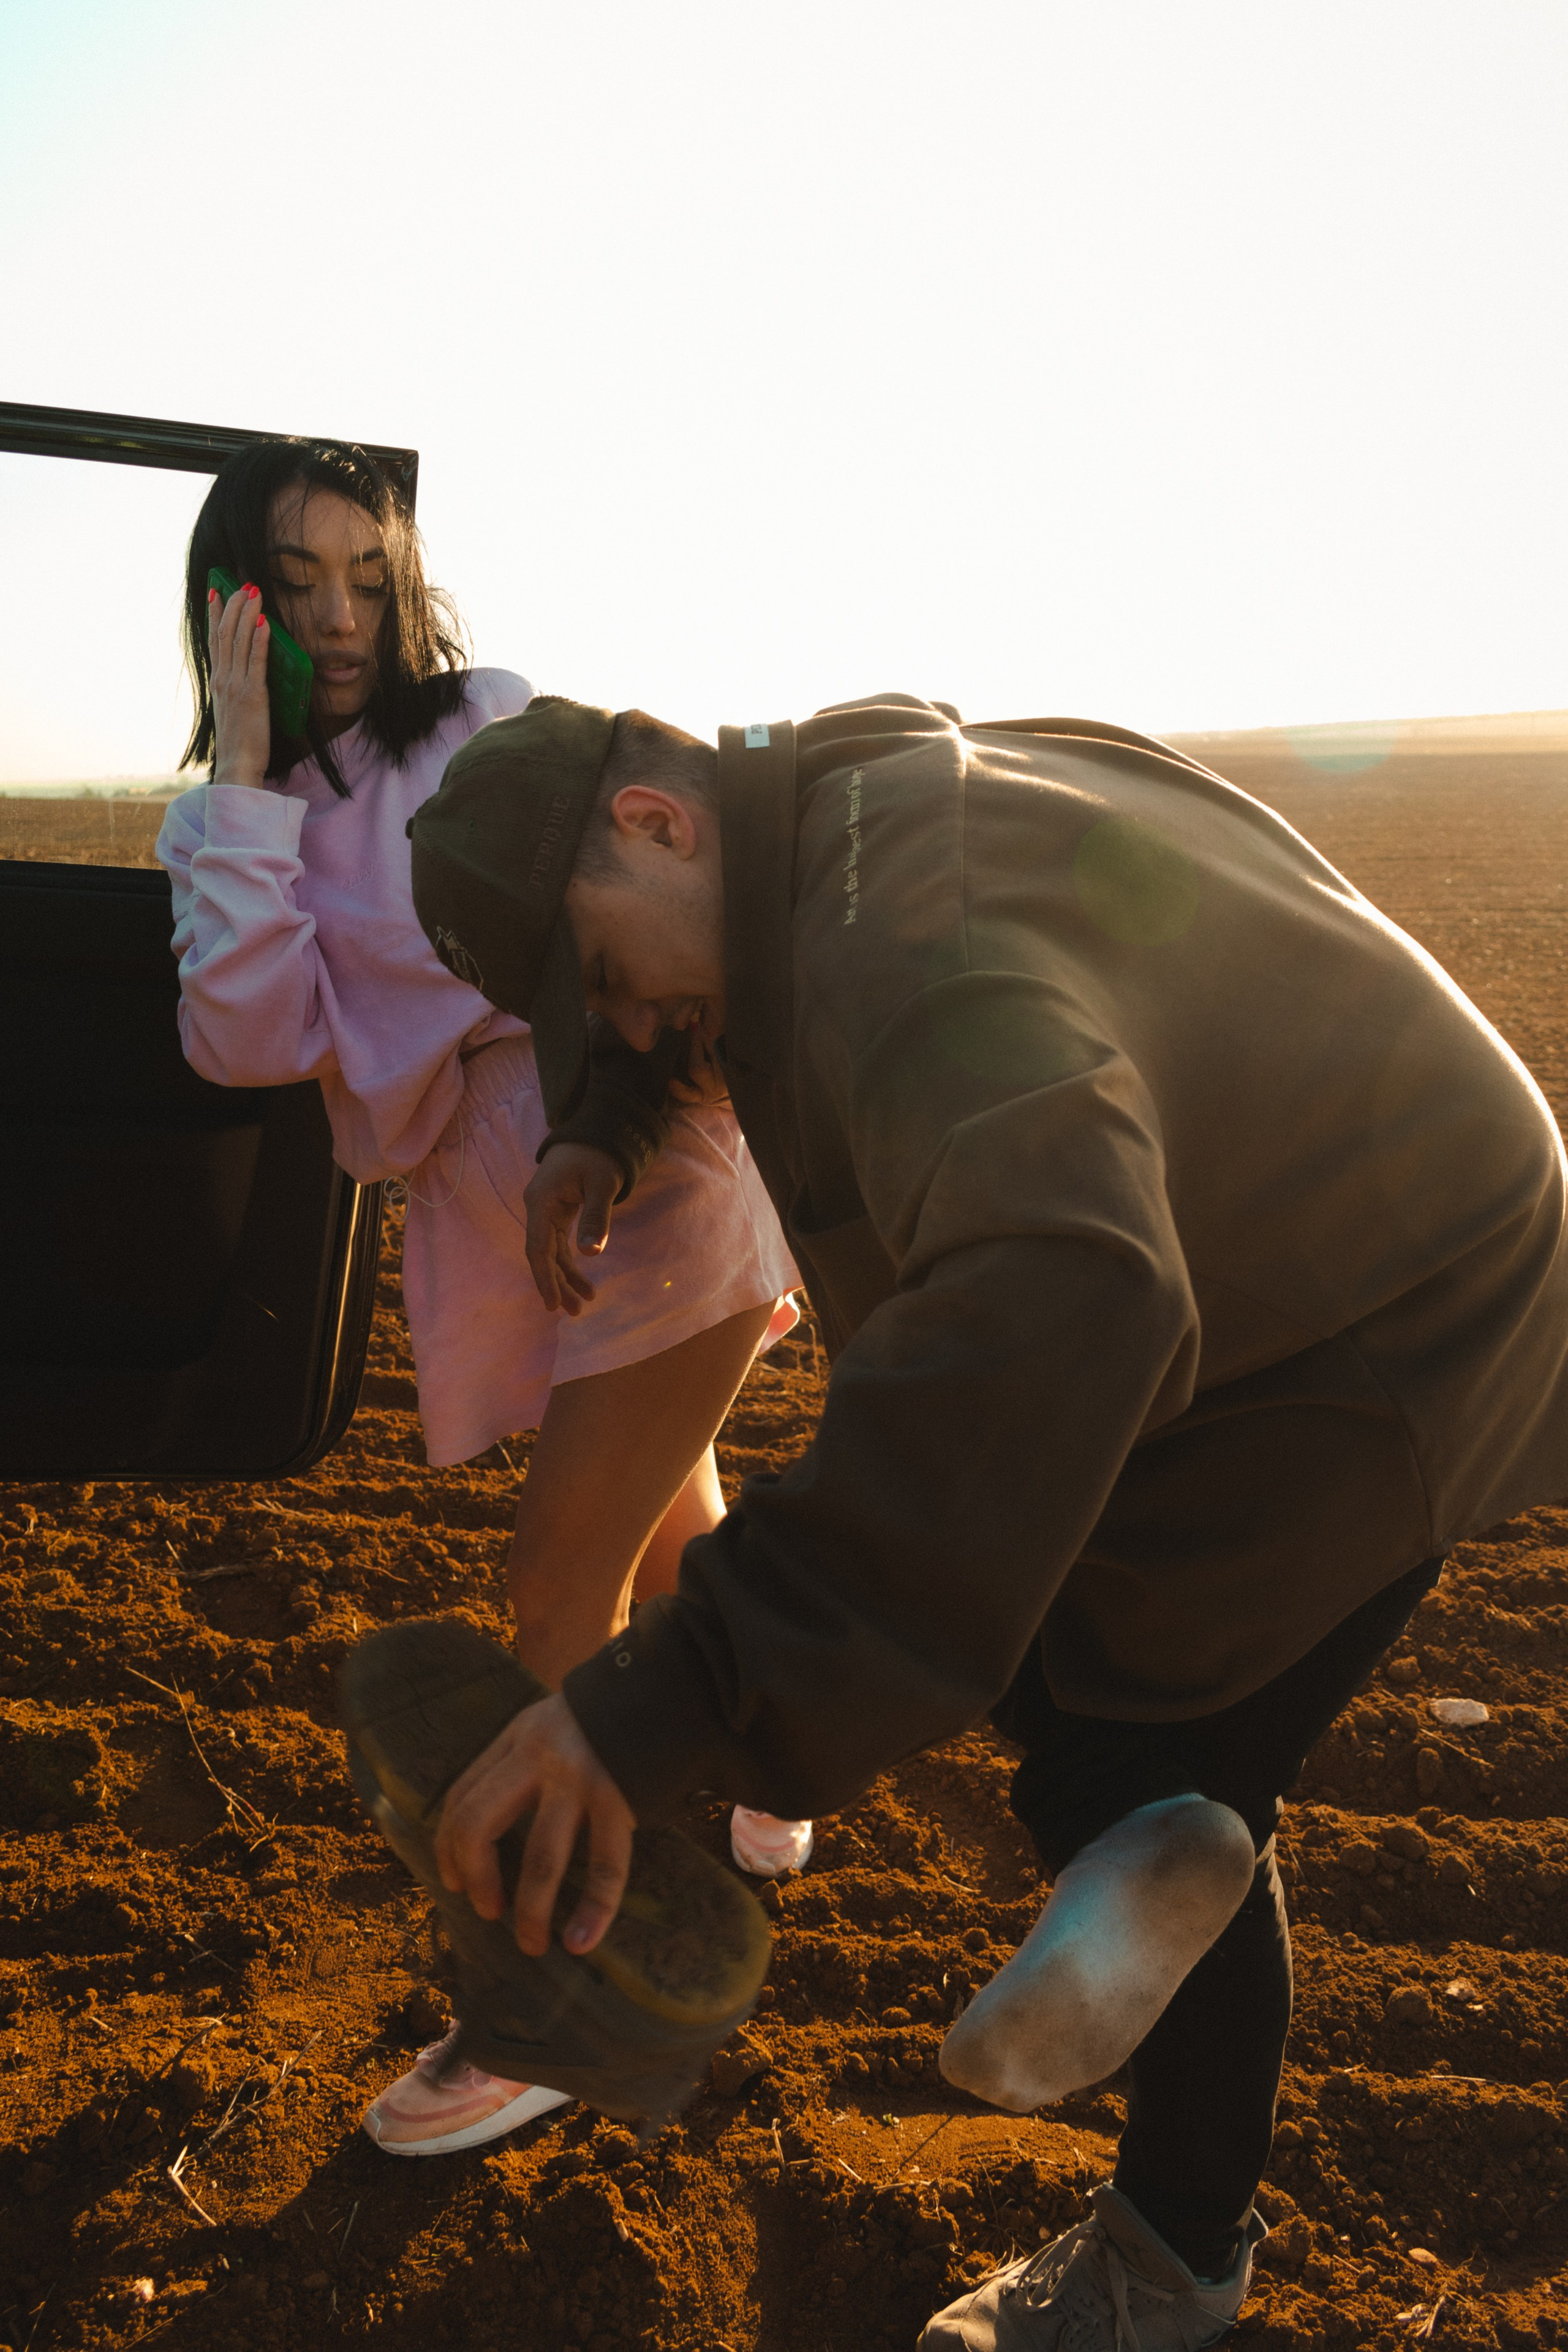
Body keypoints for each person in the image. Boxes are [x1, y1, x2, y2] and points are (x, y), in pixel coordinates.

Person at [404, 690, 1568, 2345]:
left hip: (1390, 1315)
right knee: (1080, 1673)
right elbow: (731, 1014)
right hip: (1309, 1228)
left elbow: (1054, 1306)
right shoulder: (830, 801)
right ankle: (1154, 1830)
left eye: (600, 981)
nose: (634, 1026)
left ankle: (1164, 2257)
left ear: (654, 820)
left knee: (1124, 1707)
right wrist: (601, 1120)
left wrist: (659, 1698)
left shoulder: (915, 962)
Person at [154, 444, 807, 2161]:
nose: (345, 616)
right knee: (678, 1519)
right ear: (236, 601)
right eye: (298, 582)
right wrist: (241, 765)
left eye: (368, 575)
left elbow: (631, 919)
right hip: (494, 1219)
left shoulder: (485, 719)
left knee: (552, 1595)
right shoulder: (237, 813)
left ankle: (540, 2011)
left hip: (638, 1168)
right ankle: (768, 1756)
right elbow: (245, 1034)